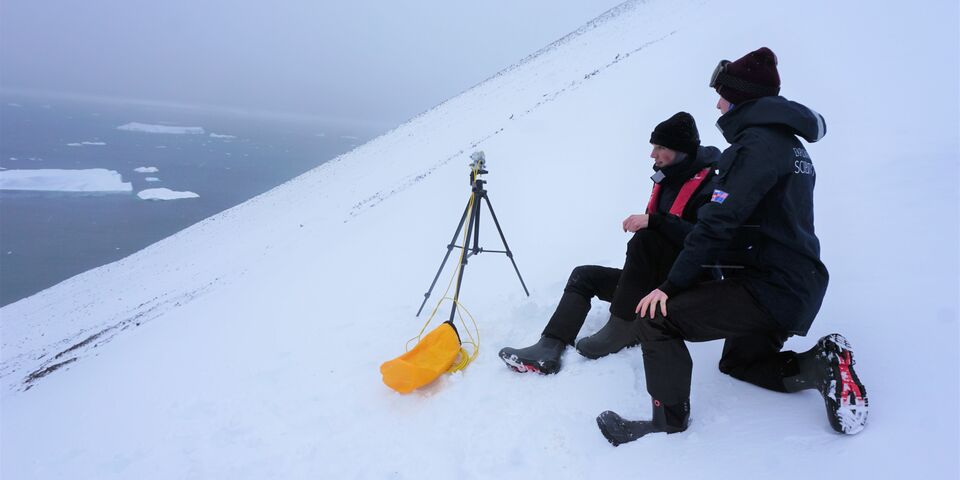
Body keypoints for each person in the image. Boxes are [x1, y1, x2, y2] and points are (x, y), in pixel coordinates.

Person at [596, 47, 868, 446]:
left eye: (723, 95)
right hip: (798, 284)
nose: (718, 104)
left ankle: (667, 422)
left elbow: (717, 224)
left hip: (769, 286)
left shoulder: (754, 147)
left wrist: (669, 287)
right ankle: (820, 365)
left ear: (742, 98)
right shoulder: (791, 145)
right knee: (740, 362)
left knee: (656, 318)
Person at [499, 112, 720, 374]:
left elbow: (707, 238)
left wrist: (655, 221)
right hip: (652, 280)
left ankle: (623, 327)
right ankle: (549, 347)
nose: (652, 154)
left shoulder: (712, 186)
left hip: (685, 287)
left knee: (646, 238)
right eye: (653, 146)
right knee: (584, 276)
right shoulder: (669, 178)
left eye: (660, 147)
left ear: (681, 149)